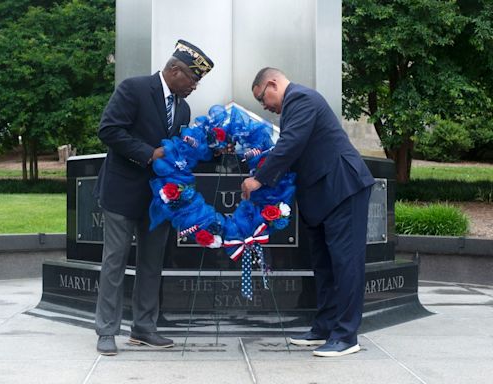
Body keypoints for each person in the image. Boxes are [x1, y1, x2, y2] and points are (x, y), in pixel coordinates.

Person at [241, 67, 375, 357]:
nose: (265, 107)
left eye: (263, 99)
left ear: (273, 84)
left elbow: (291, 145)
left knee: (345, 263)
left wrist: (259, 179)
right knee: (324, 264)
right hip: (321, 194)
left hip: (343, 188)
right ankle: (325, 327)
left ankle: (346, 336)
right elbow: (290, 150)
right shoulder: (294, 105)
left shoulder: (301, 99)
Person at [93, 40, 214, 356]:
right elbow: (109, 130)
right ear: (175, 70)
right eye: (192, 78)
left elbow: (176, 153)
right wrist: (149, 154)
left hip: (159, 201)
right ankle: (107, 331)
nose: (194, 86)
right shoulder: (134, 89)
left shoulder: (183, 108)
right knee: (115, 262)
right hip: (121, 192)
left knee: (151, 264)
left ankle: (144, 328)